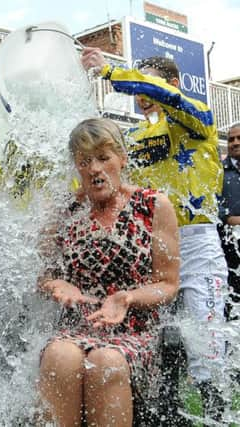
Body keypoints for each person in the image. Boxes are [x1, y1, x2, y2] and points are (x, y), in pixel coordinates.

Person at [81, 48, 227, 418]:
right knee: (161, 339)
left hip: (196, 245)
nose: (140, 91)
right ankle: (167, 413)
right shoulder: (131, 137)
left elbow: (168, 98)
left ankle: (217, 412)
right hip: (153, 245)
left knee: (206, 342)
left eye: (145, 80)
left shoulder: (199, 117)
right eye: (136, 81)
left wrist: (111, 71)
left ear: (172, 83)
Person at [37, 118, 179, 426]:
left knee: (106, 361)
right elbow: (43, 276)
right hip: (79, 326)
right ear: (76, 166)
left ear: (122, 158)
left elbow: (168, 284)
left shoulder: (153, 205)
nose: (94, 168)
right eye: (85, 161)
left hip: (135, 329)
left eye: (103, 157)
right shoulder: (66, 212)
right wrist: (58, 284)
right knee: (59, 357)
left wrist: (127, 298)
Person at [219, 123, 240, 319]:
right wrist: (228, 217)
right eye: (231, 139)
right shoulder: (219, 173)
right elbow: (212, 206)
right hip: (230, 254)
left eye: (239, 138)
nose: (234, 143)